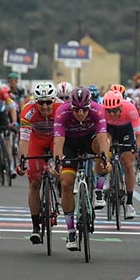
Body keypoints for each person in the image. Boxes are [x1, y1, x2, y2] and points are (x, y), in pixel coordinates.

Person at [52, 86, 110, 251]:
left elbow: (102, 138)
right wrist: (57, 163)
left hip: (89, 140)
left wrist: (105, 159)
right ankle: (71, 231)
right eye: (76, 109)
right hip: (69, 144)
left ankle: (99, 189)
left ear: (89, 105)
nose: (80, 113)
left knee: (103, 149)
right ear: (70, 106)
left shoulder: (97, 110)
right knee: (66, 183)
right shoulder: (62, 112)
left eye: (84, 109)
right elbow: (58, 142)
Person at [16, 81, 62, 244]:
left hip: (56, 138)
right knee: (34, 183)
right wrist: (22, 161)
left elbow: (64, 138)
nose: (44, 106)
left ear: (54, 100)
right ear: (36, 101)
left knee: (63, 170)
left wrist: (60, 162)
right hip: (36, 141)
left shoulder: (61, 109)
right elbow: (24, 139)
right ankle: (35, 226)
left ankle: (60, 188)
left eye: (48, 102)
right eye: (41, 103)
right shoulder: (28, 111)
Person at [100, 90, 139, 219]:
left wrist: (137, 147)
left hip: (125, 131)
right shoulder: (101, 110)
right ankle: (104, 180)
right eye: (109, 111)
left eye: (115, 110)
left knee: (127, 163)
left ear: (121, 106)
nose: (112, 114)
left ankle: (129, 203)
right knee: (104, 148)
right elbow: (99, 133)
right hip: (109, 129)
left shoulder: (130, 108)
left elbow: (139, 133)